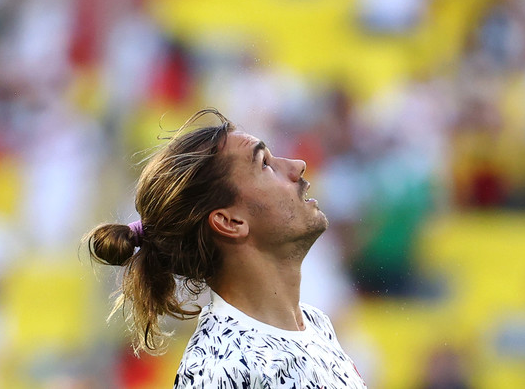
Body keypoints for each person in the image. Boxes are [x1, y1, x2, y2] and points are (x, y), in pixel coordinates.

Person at [85, 108, 366, 388]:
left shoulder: (316, 325)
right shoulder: (219, 370)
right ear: (230, 222)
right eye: (264, 164)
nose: (297, 164)